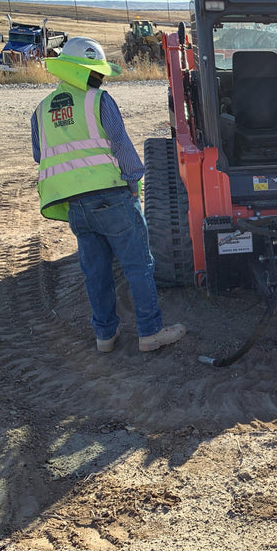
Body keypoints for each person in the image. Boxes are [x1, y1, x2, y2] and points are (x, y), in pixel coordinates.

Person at [31, 36, 185, 353]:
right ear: (82, 72)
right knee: (139, 266)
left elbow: (40, 154)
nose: (100, 77)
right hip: (111, 197)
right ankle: (150, 332)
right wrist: (133, 185)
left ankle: (105, 336)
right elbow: (121, 146)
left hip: (76, 206)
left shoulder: (42, 110)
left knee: (95, 272)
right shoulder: (98, 101)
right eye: (96, 71)